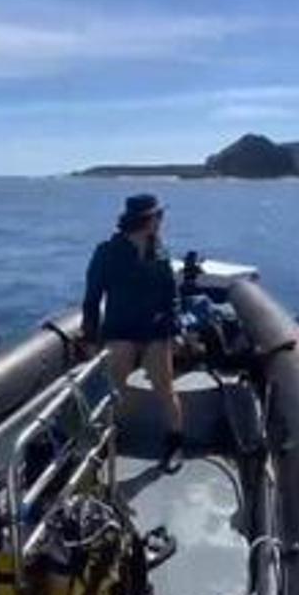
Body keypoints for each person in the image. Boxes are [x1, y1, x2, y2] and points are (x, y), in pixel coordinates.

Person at [82, 194, 183, 470]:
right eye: (158, 216)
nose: (162, 222)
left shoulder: (159, 250)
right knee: (112, 391)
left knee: (165, 388)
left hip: (154, 330)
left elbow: (171, 293)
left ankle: (175, 443)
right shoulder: (107, 252)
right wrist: (90, 337)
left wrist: (175, 329)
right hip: (120, 329)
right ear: (146, 220)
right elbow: (92, 297)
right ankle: (103, 440)